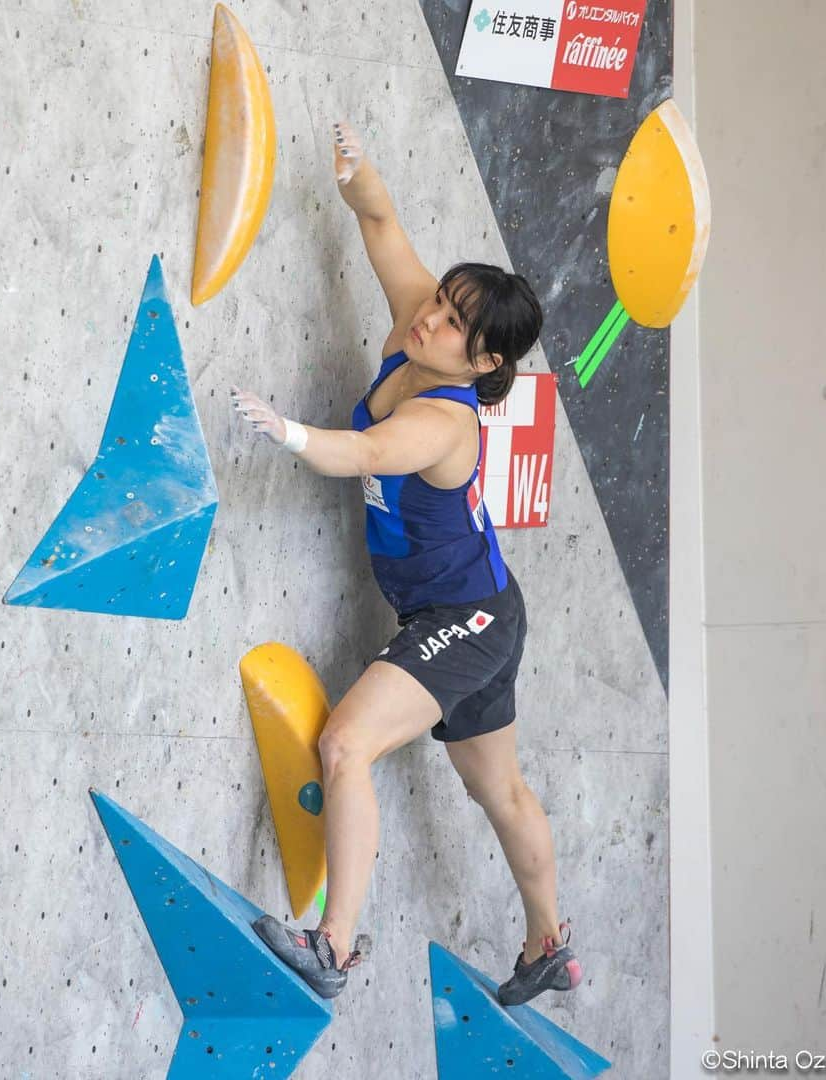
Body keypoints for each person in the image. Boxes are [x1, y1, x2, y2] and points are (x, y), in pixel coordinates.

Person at [231, 120, 581, 1007]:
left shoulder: (445, 420)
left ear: (486, 359)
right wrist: (359, 176)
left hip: (465, 621)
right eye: (440, 302)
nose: (430, 316)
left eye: (455, 321)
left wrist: (291, 431)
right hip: (485, 609)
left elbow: (363, 455)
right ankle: (549, 947)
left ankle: (333, 949)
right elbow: (384, 228)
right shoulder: (418, 329)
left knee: (345, 744)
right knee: (495, 788)